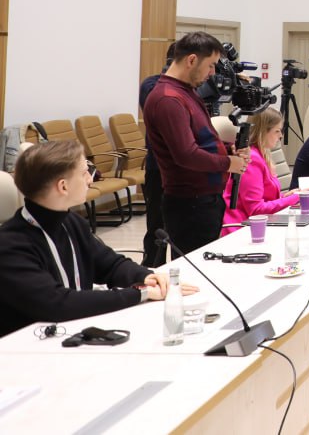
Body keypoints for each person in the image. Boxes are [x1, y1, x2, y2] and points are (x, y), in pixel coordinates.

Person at [0, 141, 198, 336]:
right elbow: (58, 303)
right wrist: (141, 293)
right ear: (63, 186)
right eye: (85, 172)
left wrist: (145, 277)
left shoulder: (71, 223)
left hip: (72, 334)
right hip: (27, 347)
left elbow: (109, 265)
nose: (90, 180)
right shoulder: (10, 245)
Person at [144, 32, 248, 255]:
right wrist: (228, 163)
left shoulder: (185, 92)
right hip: (190, 203)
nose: (212, 73)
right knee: (195, 268)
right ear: (191, 60)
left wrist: (226, 149)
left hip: (203, 200)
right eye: (210, 65)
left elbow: (200, 139)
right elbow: (186, 154)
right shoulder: (168, 99)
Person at [220, 110, 299, 235]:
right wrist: (297, 198)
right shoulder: (251, 159)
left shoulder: (262, 155)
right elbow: (256, 210)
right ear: (263, 132)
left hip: (259, 225)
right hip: (243, 230)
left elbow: (265, 198)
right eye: (277, 131)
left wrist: (287, 197)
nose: (280, 136)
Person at [138, 42, 175, 267]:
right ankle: (150, 268)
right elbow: (164, 108)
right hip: (158, 167)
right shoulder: (152, 85)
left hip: (187, 170)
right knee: (156, 224)